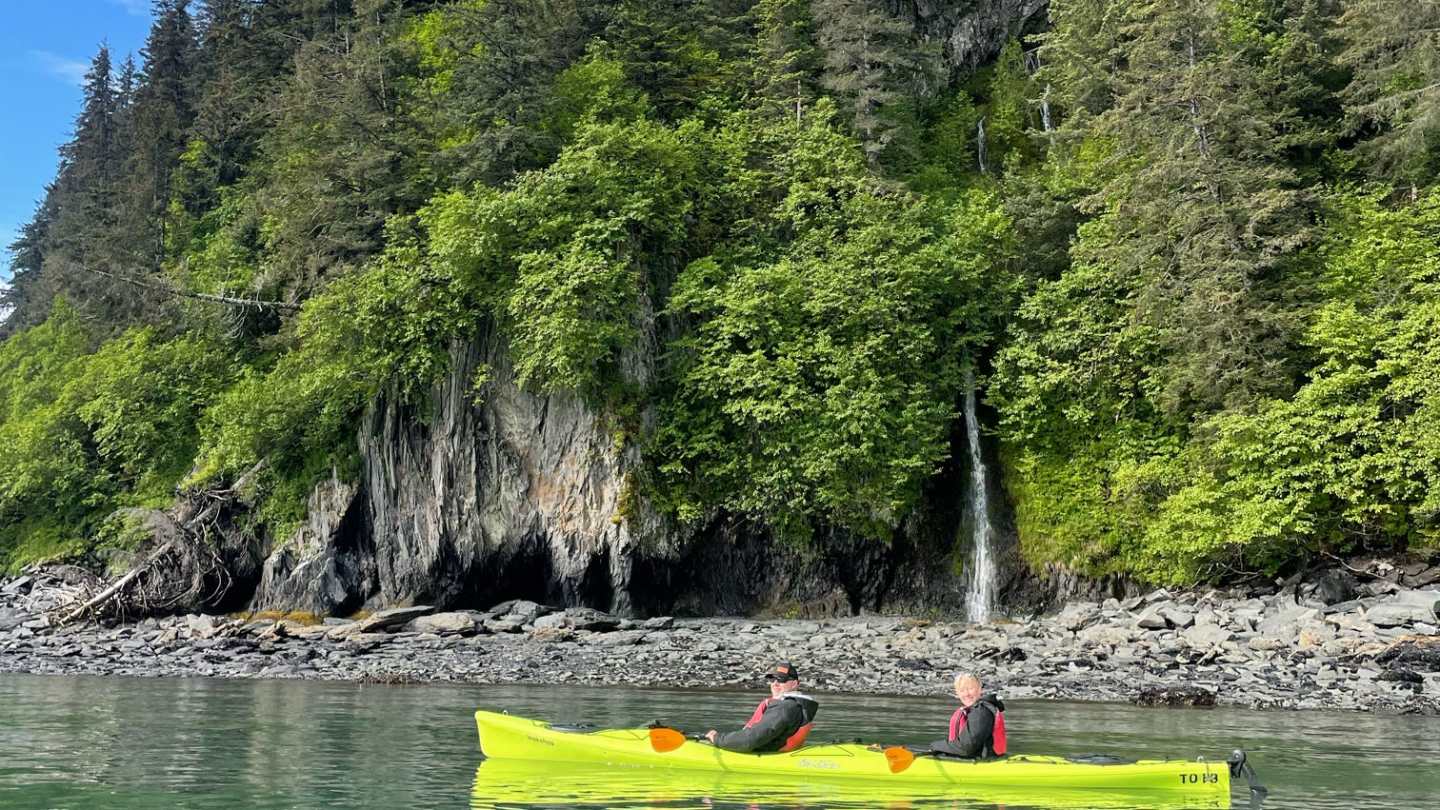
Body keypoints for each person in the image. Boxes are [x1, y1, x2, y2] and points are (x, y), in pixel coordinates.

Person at [704, 662, 819, 753]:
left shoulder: (785, 707)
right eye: (772, 680)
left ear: (794, 684)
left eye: (781, 680)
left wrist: (718, 738)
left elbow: (751, 739)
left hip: (769, 756)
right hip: (780, 752)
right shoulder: (798, 705)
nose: (775, 684)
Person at [929, 672, 1006, 758]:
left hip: (982, 764)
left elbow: (966, 748)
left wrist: (935, 746)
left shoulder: (981, 711)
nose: (966, 694)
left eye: (970, 688)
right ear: (957, 693)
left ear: (979, 689)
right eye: (962, 690)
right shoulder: (977, 710)